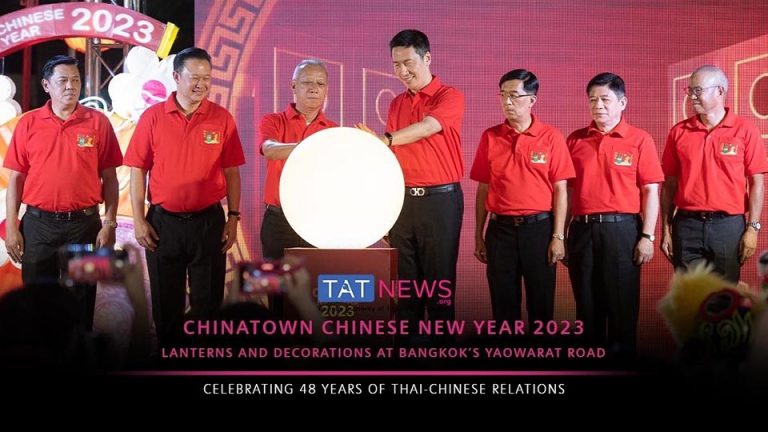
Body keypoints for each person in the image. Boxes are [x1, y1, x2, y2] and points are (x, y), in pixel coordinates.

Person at [124, 47, 245, 346]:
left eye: (207, 78)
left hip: (209, 223)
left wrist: (233, 218)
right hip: (163, 224)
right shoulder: (153, 117)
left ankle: (202, 360)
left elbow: (232, 172)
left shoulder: (222, 118)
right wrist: (139, 220)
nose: (201, 84)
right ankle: (170, 357)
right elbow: (138, 170)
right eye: (195, 77)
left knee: (208, 304)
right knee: (166, 306)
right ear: (176, 77)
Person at [3, 55, 122, 331]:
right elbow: (16, 179)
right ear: (46, 85)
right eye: (63, 81)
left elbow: (110, 179)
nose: (71, 86)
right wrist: (11, 228)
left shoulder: (98, 122)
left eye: (76, 80)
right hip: (38, 227)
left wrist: (109, 223)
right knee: (35, 300)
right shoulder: (28, 123)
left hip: (85, 226)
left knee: (82, 300)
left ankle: (78, 351)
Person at [356, 29, 464, 327]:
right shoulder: (396, 103)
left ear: (427, 58)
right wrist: (383, 211)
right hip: (401, 201)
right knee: (405, 290)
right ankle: (406, 349)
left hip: (440, 202)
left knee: (440, 288)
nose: (402, 71)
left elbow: (428, 126)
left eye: (408, 63)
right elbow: (389, 158)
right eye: (396, 64)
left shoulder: (449, 96)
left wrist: (386, 138)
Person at [567, 72, 663, 355]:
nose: (598, 106)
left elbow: (651, 191)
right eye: (592, 100)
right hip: (582, 231)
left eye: (605, 99)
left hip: (622, 231)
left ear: (623, 102)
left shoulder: (640, 140)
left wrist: (647, 236)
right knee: (586, 309)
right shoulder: (575, 140)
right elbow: (566, 192)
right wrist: (560, 234)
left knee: (622, 310)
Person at [470, 69, 574, 327]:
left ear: (532, 100)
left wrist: (558, 236)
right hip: (499, 231)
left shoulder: (551, 137)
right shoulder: (490, 136)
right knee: (503, 305)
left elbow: (561, 190)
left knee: (541, 304)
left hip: (539, 230)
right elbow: (483, 188)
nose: (507, 101)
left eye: (514, 95)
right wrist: (478, 235)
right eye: (503, 95)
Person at [661, 65, 768, 283]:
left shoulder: (746, 130)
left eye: (698, 90)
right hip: (686, 226)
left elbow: (757, 183)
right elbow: (669, 184)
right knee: (689, 297)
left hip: (728, 227)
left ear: (719, 91)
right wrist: (665, 229)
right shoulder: (678, 132)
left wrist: (753, 229)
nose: (692, 96)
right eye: (689, 90)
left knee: (724, 297)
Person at [259, 59, 337, 315]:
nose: (314, 88)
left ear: (326, 90)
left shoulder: (334, 131)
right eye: (307, 82)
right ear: (293, 86)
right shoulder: (273, 121)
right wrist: (313, 148)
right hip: (278, 221)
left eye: (320, 84)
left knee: (314, 296)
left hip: (317, 221)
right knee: (277, 297)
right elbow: (270, 149)